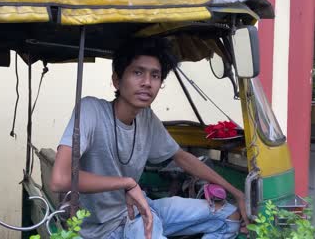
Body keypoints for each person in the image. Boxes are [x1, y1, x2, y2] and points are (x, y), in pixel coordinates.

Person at [51, 38, 248, 239]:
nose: (147, 82)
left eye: (155, 75)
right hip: (105, 229)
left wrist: (236, 192)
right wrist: (126, 183)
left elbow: (181, 157)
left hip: (141, 208)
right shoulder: (91, 111)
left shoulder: (145, 118)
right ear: (117, 80)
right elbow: (60, 179)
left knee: (228, 214)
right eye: (138, 72)